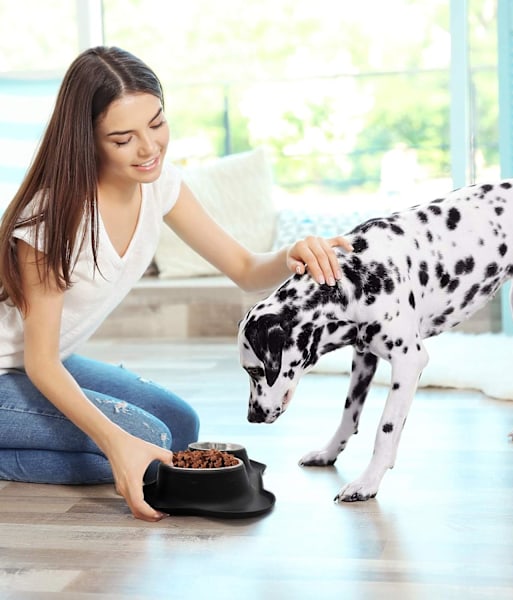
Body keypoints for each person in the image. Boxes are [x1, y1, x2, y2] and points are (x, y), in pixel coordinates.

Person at [0, 46, 351, 522]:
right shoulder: (50, 222)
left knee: (180, 426)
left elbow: (245, 267)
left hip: (34, 365)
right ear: (87, 140)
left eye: (157, 123)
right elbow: (41, 363)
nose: (149, 148)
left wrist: (290, 256)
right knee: (149, 441)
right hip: (23, 368)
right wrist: (116, 442)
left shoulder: (159, 185)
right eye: (123, 139)